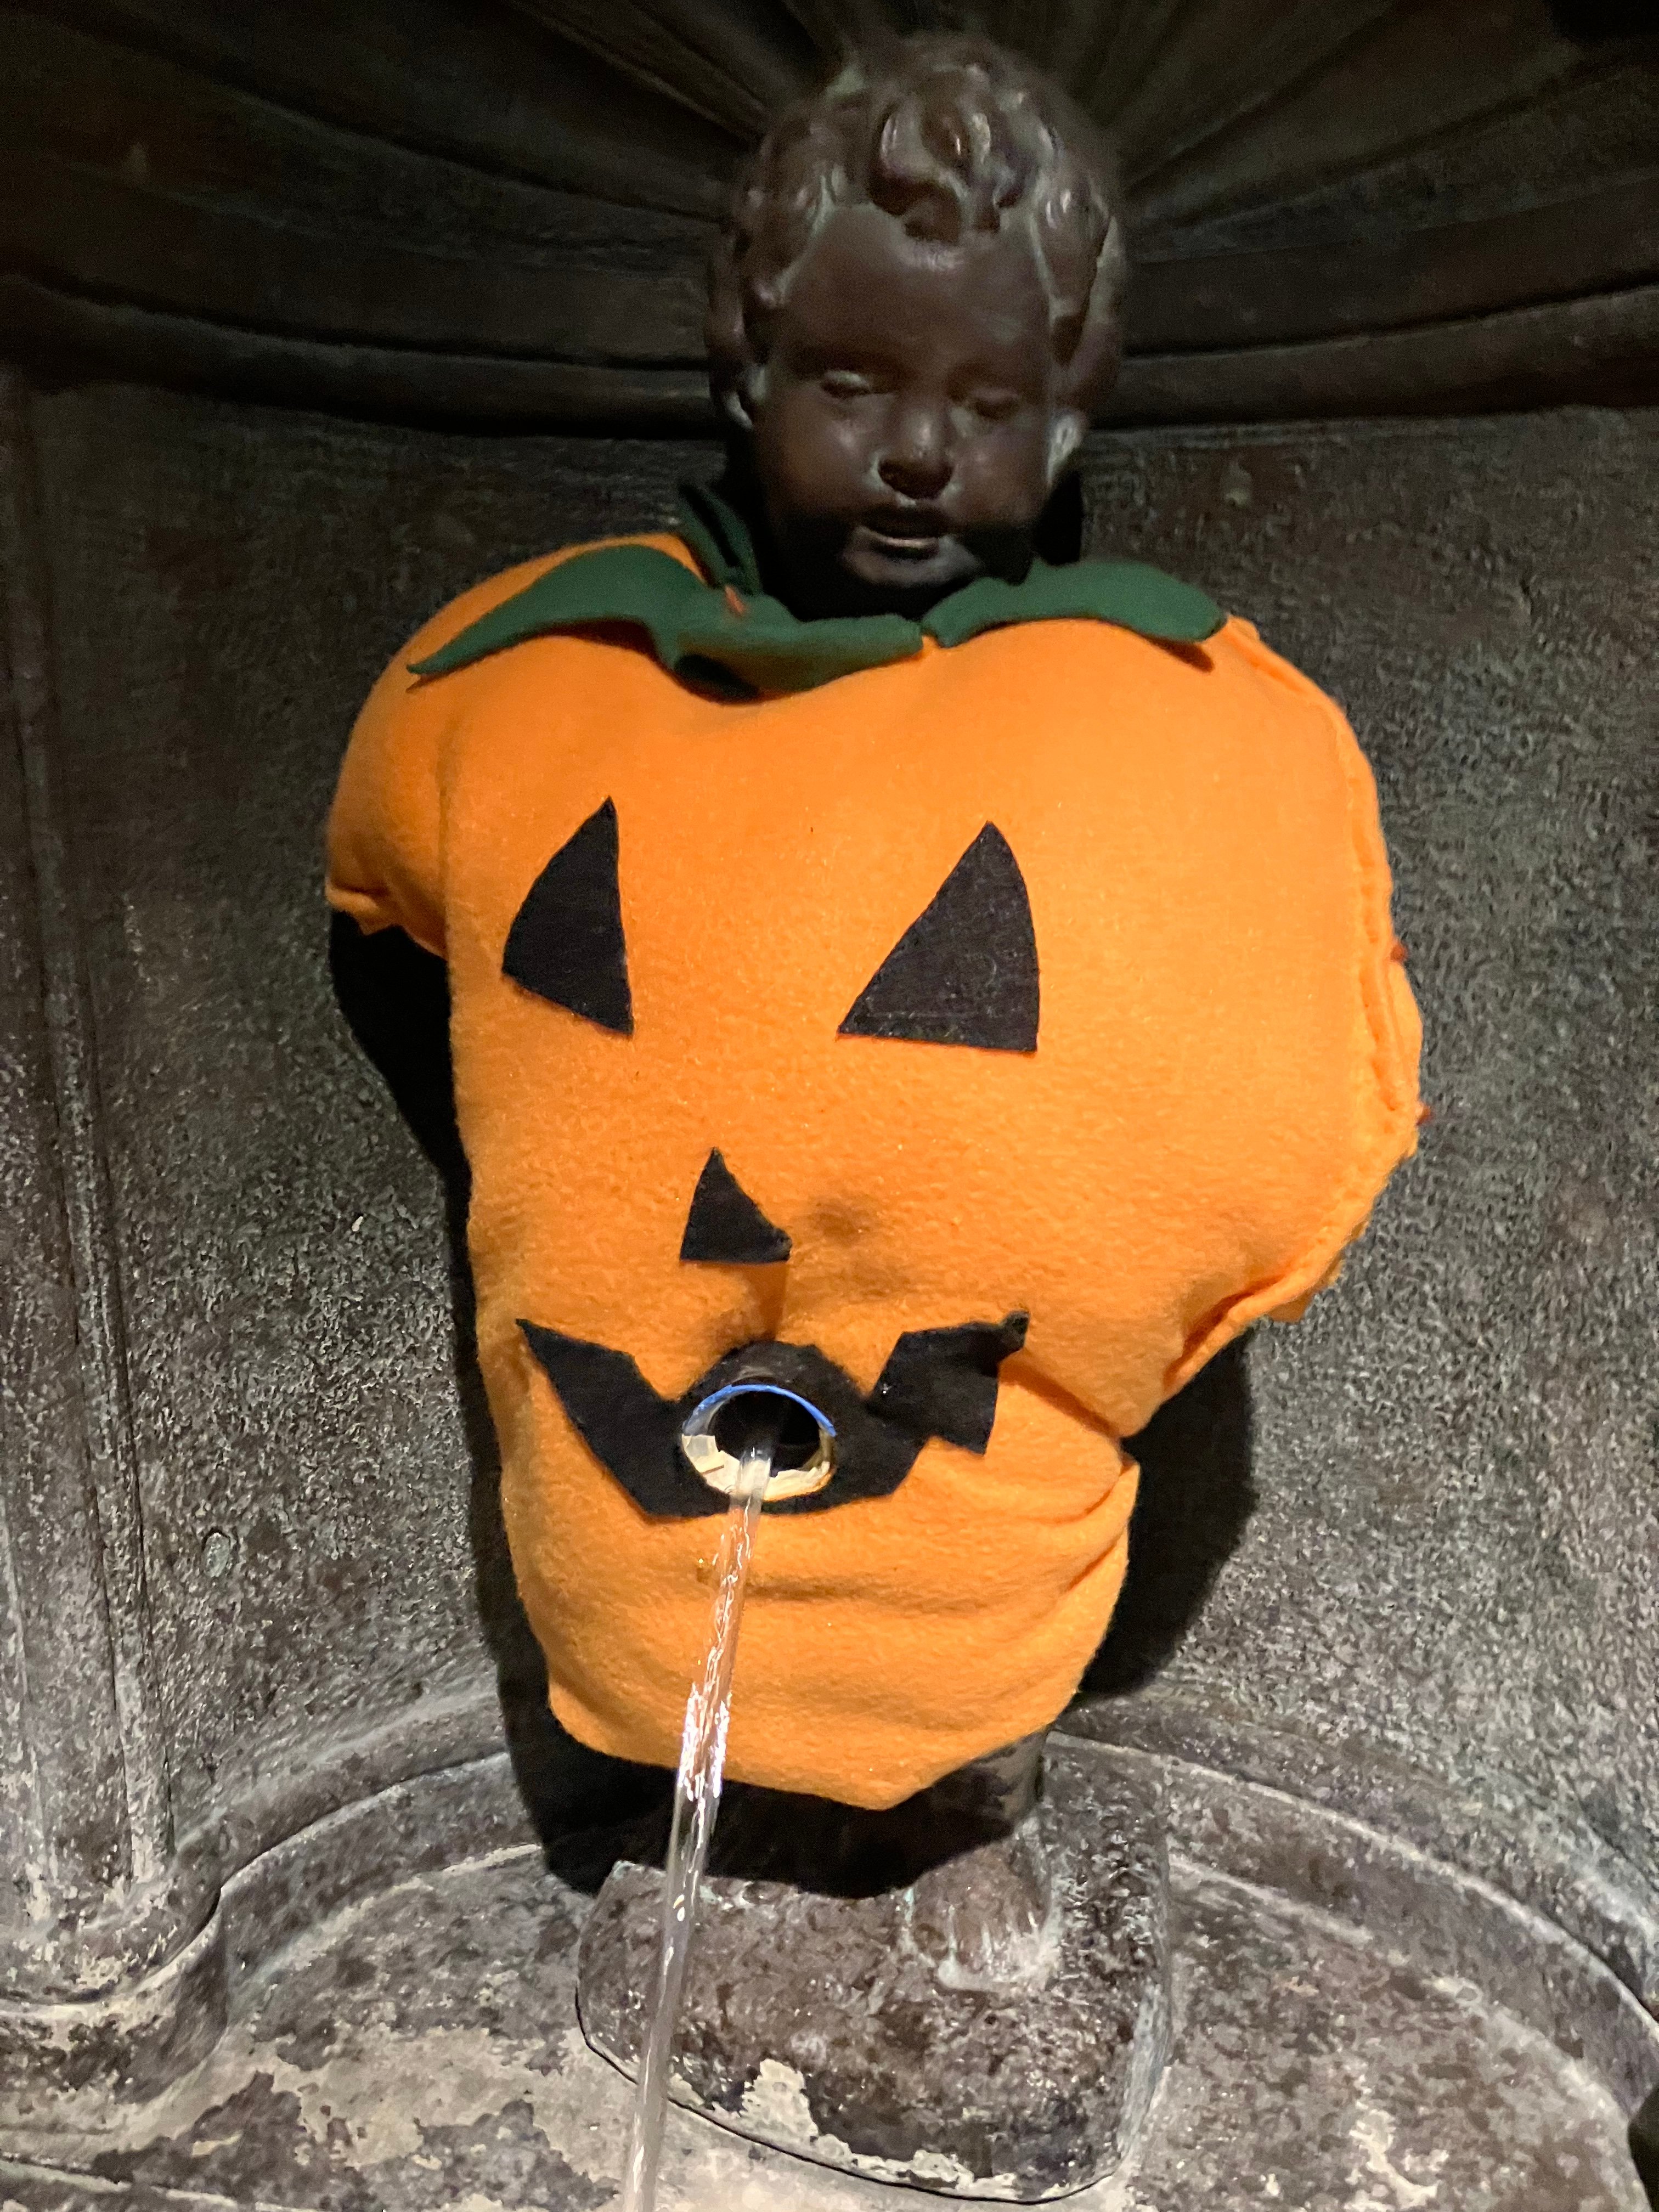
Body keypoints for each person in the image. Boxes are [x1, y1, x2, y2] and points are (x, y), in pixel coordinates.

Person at [326, 35, 1422, 1980]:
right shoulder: (543, 673)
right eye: (854, 383)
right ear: (749, 371)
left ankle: (950, 1807)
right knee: (654, 1569)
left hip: (971, 1462)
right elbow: (414, 930)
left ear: (1066, 422)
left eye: (984, 402)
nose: (919, 449)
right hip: (632, 1439)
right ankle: (720, 1789)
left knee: (959, 1585)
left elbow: (1259, 1071)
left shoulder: (1185, 721)